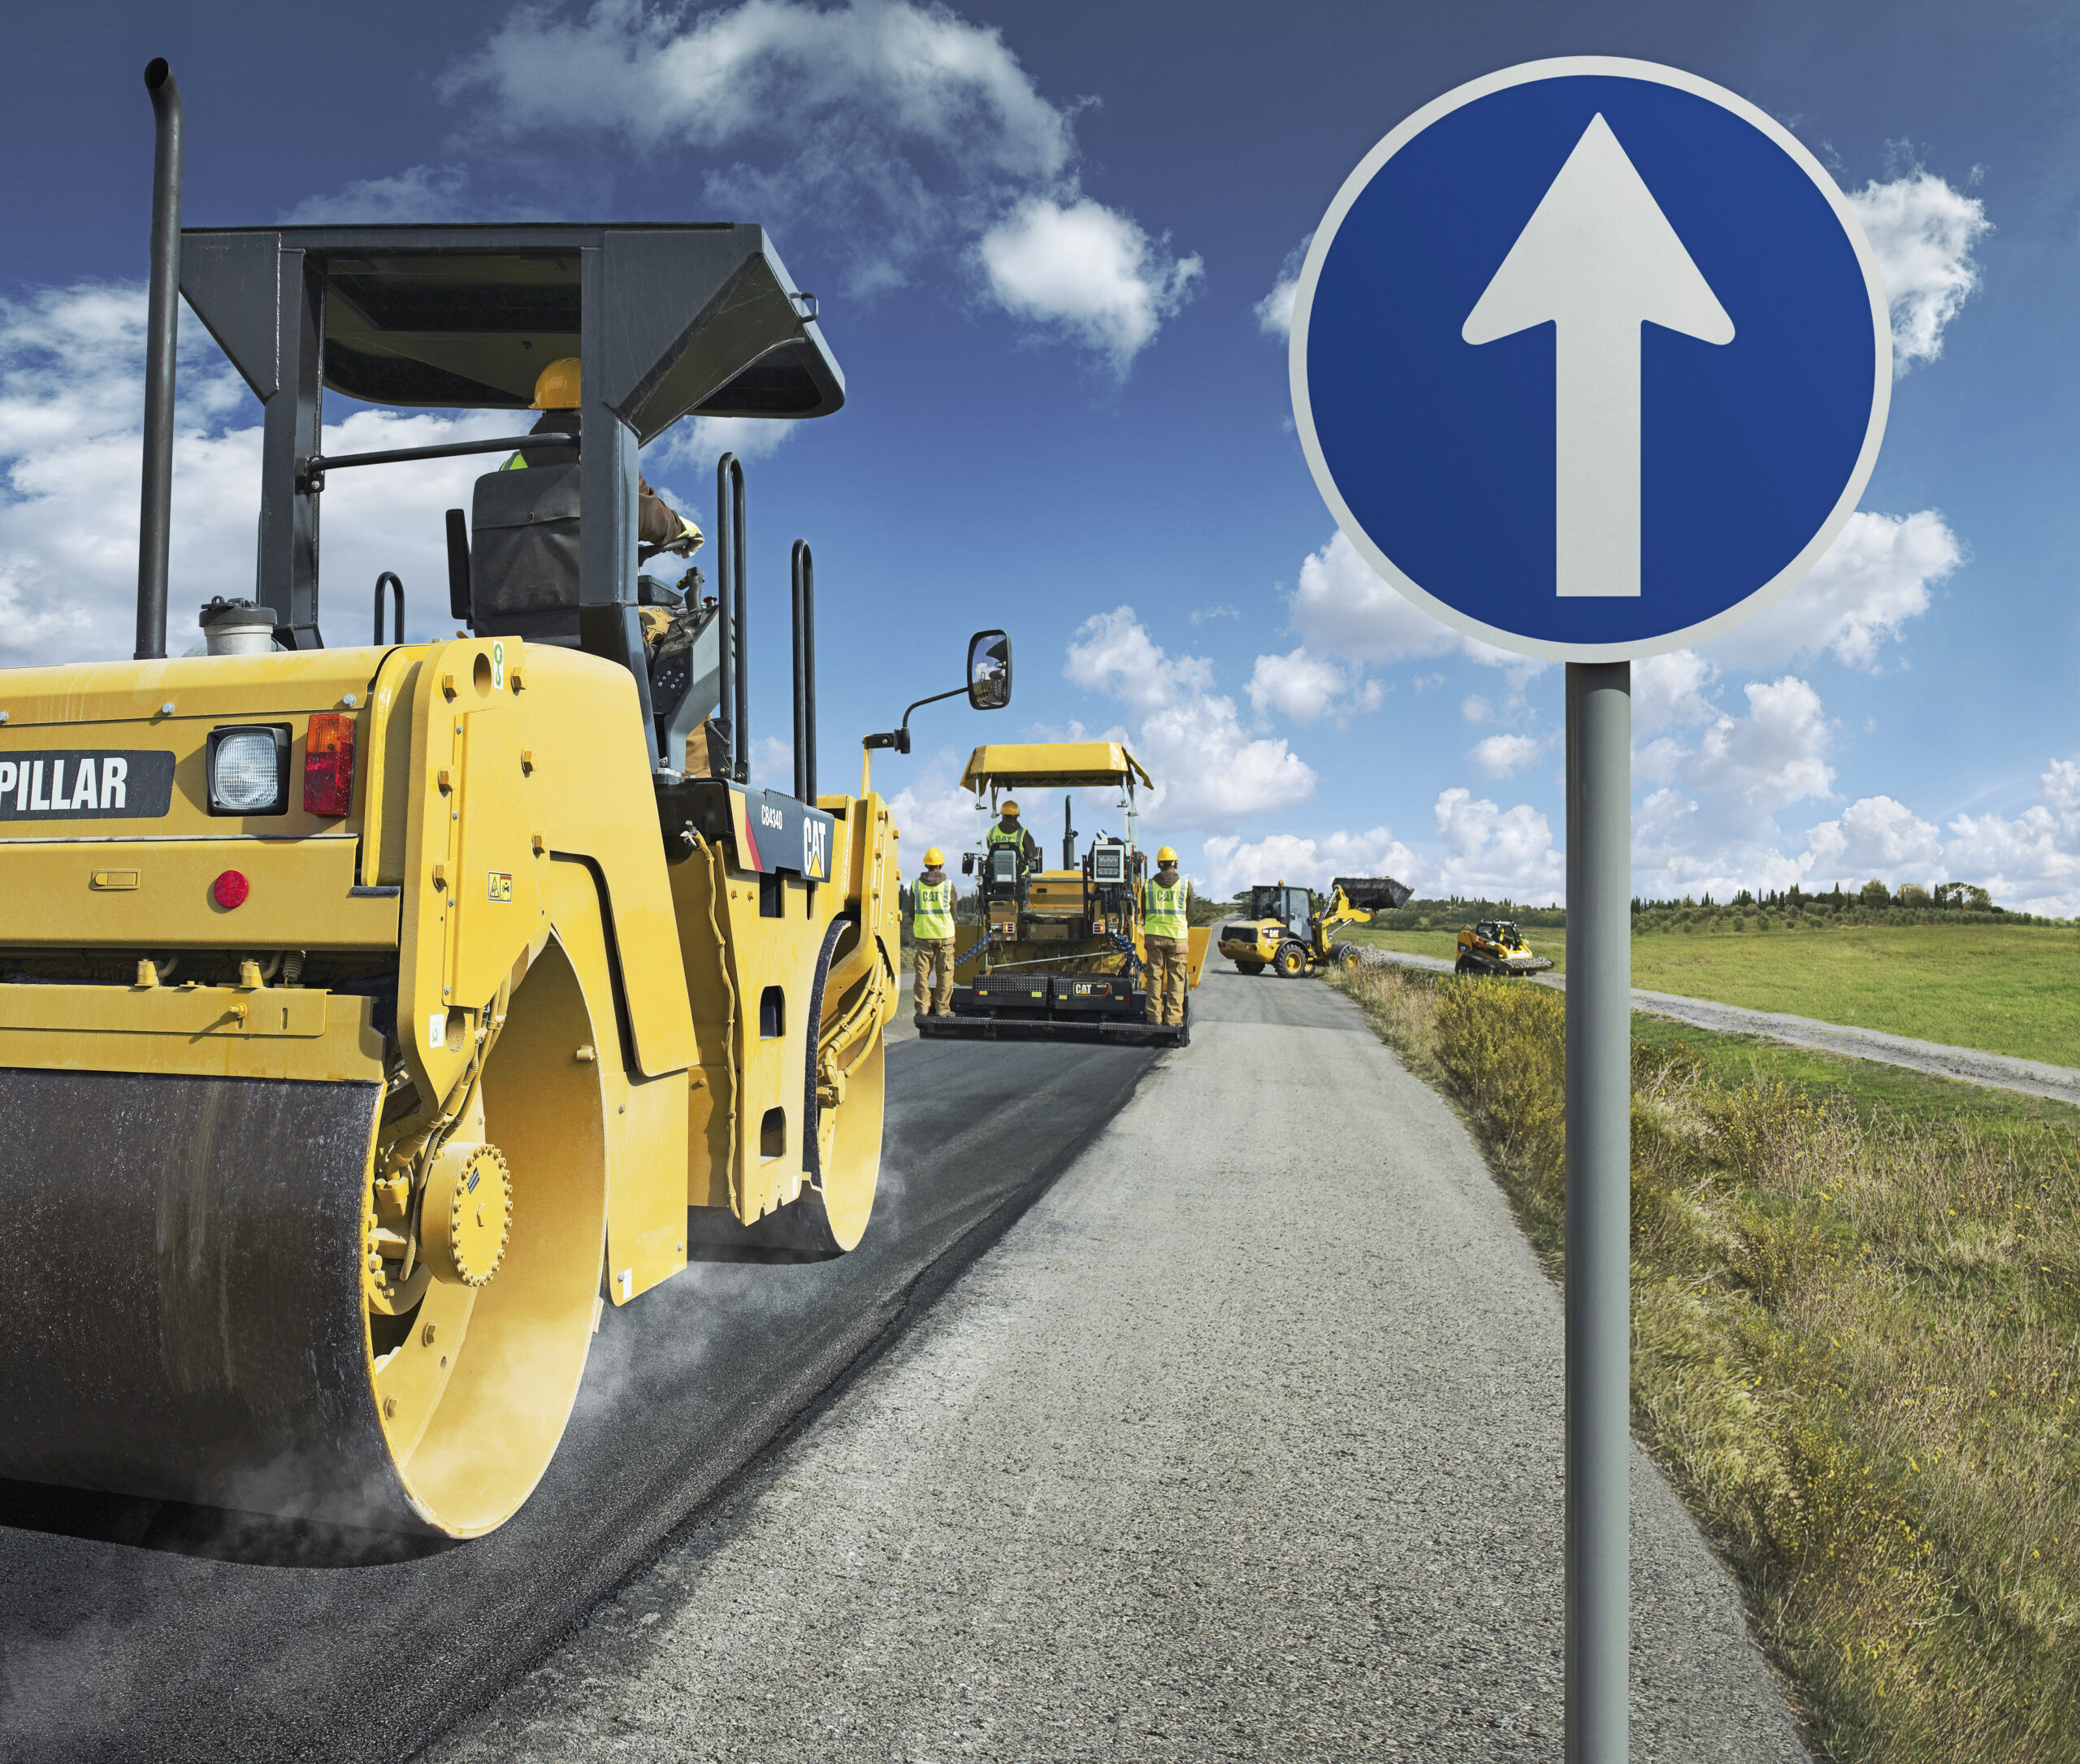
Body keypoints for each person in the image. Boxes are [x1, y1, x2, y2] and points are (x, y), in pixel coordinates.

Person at [504, 358, 703, 554]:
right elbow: (646, 517)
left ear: (543, 406)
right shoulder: (607, 458)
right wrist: (683, 527)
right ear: (595, 404)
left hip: (515, 583)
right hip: (593, 585)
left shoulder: (510, 467)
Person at [1140, 845, 1191, 1028]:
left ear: (1159, 865)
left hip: (1154, 938)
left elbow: (1144, 912)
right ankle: (1173, 1019)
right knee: (1176, 978)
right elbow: (1189, 913)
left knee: (1154, 977)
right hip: (1177, 938)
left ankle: (1154, 1017)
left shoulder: (1148, 885)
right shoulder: (1185, 885)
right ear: (1175, 864)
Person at [910, 847, 959, 1018]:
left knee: (922, 973)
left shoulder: (915, 884)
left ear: (926, 864)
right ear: (941, 865)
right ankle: (942, 1010)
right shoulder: (948, 885)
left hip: (924, 935)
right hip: (945, 935)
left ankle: (922, 1009)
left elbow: (911, 911)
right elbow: (954, 911)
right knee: (945, 973)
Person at [985, 800, 1043, 876]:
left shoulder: (991, 832)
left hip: (994, 873)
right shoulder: (1023, 833)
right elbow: (1031, 854)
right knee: (1028, 880)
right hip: (1019, 874)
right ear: (1016, 816)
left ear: (1003, 815)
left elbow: (990, 848)